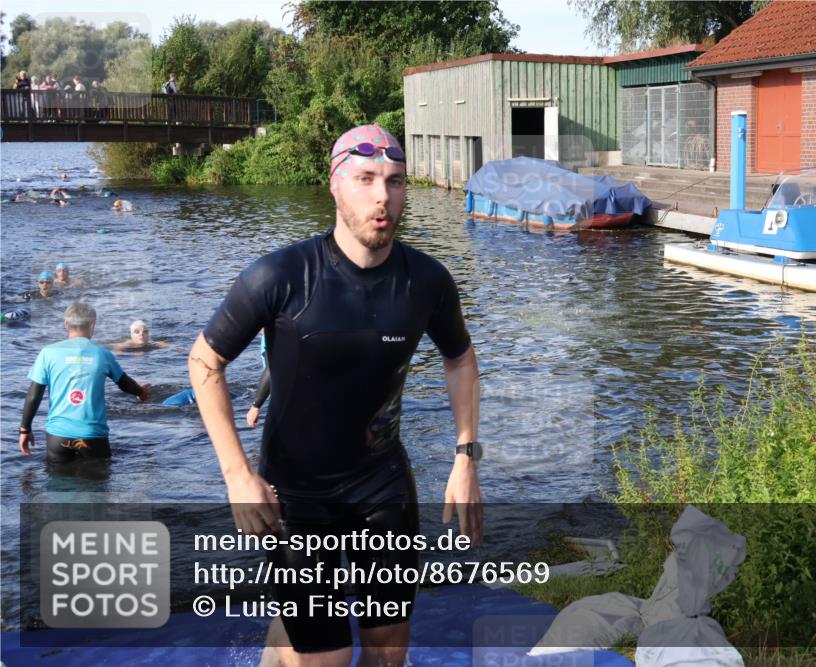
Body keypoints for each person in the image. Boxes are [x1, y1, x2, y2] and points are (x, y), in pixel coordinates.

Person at [187, 123, 482, 667]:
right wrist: (236, 474)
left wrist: (465, 457)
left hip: (381, 483)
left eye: (394, 182)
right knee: (325, 658)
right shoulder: (280, 276)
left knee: (389, 651)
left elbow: (460, 358)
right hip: (294, 493)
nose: (382, 196)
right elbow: (204, 361)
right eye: (366, 178)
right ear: (335, 185)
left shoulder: (427, 282)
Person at [19, 303, 150, 460]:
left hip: (58, 436)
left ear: (66, 324)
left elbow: (34, 395)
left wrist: (25, 430)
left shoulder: (48, 353)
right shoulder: (102, 354)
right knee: (96, 481)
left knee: (58, 482)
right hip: (93, 436)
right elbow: (124, 383)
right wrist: (141, 392)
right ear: (92, 325)